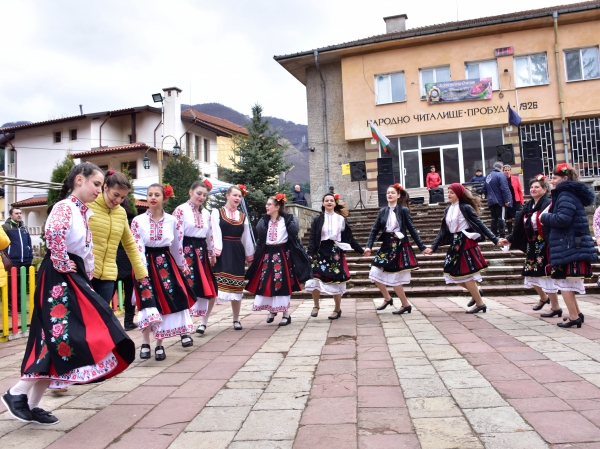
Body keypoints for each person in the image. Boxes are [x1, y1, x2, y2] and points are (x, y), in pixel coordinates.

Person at [2, 163, 135, 425]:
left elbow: (84, 249)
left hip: (70, 275)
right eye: (96, 184)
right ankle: (17, 393)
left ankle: (29, 402)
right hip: (59, 277)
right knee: (61, 335)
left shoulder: (80, 211)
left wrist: (84, 271)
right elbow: (53, 234)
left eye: (100, 185)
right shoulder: (65, 206)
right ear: (78, 180)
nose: (99, 190)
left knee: (61, 338)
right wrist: (64, 265)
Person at [131, 184, 197, 360]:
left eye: (157, 194)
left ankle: (159, 344)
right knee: (147, 302)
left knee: (165, 302)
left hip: (165, 263)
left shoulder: (172, 221)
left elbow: (177, 245)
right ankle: (145, 342)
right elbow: (136, 245)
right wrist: (141, 267)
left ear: (164, 198)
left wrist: (182, 265)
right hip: (143, 263)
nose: (153, 197)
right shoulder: (138, 221)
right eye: (150, 194)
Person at [424, 183, 500, 313]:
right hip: (455, 243)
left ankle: (480, 303)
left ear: (458, 194)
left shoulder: (465, 208)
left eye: (451, 192)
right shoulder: (448, 210)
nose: (449, 194)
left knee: (466, 274)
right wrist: (433, 247)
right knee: (450, 272)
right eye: (448, 192)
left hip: (465, 242)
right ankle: (476, 291)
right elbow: (442, 231)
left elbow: (480, 224)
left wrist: (496, 239)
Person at [539, 163, 598, 328]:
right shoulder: (568, 193)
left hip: (568, 244)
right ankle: (577, 314)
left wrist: (544, 218)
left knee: (564, 282)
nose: (552, 180)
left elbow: (562, 219)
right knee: (568, 282)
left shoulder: (565, 194)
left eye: (555, 177)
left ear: (565, 178)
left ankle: (573, 317)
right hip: (571, 243)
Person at [499, 175, 561, 316]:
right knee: (529, 272)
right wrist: (509, 239)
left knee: (546, 274)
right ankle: (544, 298)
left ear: (545, 190)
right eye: (532, 187)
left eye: (537, 187)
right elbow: (519, 228)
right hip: (532, 244)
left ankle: (556, 307)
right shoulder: (528, 206)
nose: (533, 189)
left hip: (545, 243)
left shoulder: (549, 204)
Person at [246, 193, 312, 325]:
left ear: (277, 207)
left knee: (282, 284)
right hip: (267, 254)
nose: (266, 206)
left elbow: (294, 236)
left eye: (269, 204)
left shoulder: (287, 219)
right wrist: (256, 255)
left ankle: (286, 314)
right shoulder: (264, 221)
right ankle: (272, 310)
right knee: (267, 283)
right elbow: (260, 240)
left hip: (282, 254)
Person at [88, 170, 148, 306]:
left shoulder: (121, 213)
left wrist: (140, 271)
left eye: (122, 197)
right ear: (105, 187)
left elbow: (130, 244)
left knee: (102, 317)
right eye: (115, 195)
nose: (118, 201)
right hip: (87, 272)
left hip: (108, 275)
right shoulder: (88, 205)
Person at [364, 184, 427, 315]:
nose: (390, 195)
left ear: (398, 195)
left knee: (394, 277)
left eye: (393, 193)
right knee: (374, 272)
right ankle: (387, 298)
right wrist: (368, 246)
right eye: (388, 193)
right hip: (386, 245)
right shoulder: (383, 211)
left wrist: (422, 247)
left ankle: (405, 304)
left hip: (399, 245)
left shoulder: (403, 210)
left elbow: (412, 229)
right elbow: (374, 229)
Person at [305, 193, 365, 320]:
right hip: (320, 250)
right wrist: (310, 253)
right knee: (314, 278)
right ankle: (316, 305)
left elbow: (349, 238)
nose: (329, 202)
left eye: (331, 200)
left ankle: (337, 309)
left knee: (336, 281)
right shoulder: (318, 219)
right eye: (326, 200)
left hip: (335, 251)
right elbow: (312, 238)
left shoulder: (341, 219)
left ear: (335, 203)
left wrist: (360, 250)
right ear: (323, 203)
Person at [173, 179, 218, 335]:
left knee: (209, 288)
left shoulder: (206, 213)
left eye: (204, 195)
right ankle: (186, 324)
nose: (201, 197)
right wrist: (179, 257)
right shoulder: (181, 210)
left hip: (202, 252)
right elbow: (176, 236)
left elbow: (209, 234)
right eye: (199, 193)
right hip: (186, 251)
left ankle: (203, 323)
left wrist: (212, 253)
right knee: (187, 287)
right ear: (190, 192)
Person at [210, 184, 255, 331]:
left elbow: (246, 238)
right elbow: (214, 232)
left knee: (237, 288)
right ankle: (204, 322)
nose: (237, 198)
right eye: (234, 195)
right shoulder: (217, 212)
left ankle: (236, 319)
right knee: (214, 287)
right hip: (222, 251)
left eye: (239, 196)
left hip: (236, 252)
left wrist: (250, 258)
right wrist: (214, 252)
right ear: (227, 196)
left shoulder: (243, 217)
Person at [3, 207, 33, 315]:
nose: (19, 215)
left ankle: (20, 307)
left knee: (22, 286)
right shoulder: (5, 227)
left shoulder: (24, 228)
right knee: (12, 286)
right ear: (11, 215)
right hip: (12, 262)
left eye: (20, 213)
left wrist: (30, 257)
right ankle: (12, 308)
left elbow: (29, 243)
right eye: (16, 213)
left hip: (25, 261)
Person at [116, 196, 137, 330]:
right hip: (129, 259)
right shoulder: (133, 220)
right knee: (129, 292)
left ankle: (108, 324)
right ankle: (128, 322)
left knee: (107, 293)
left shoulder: (111, 217)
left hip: (113, 259)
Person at [481, 161, 512, 238]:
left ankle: (494, 234)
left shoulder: (488, 176)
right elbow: (504, 188)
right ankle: (502, 235)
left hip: (491, 200)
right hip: (499, 200)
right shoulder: (501, 175)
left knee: (493, 218)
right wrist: (507, 200)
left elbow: (483, 189)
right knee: (501, 218)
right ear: (501, 168)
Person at [502, 165, 525, 234]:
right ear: (503, 171)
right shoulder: (502, 179)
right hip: (507, 201)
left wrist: (522, 200)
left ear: (510, 171)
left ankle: (517, 231)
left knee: (516, 216)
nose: (507, 172)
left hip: (515, 200)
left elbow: (519, 190)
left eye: (508, 170)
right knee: (508, 218)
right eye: (505, 170)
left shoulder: (515, 178)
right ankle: (510, 232)